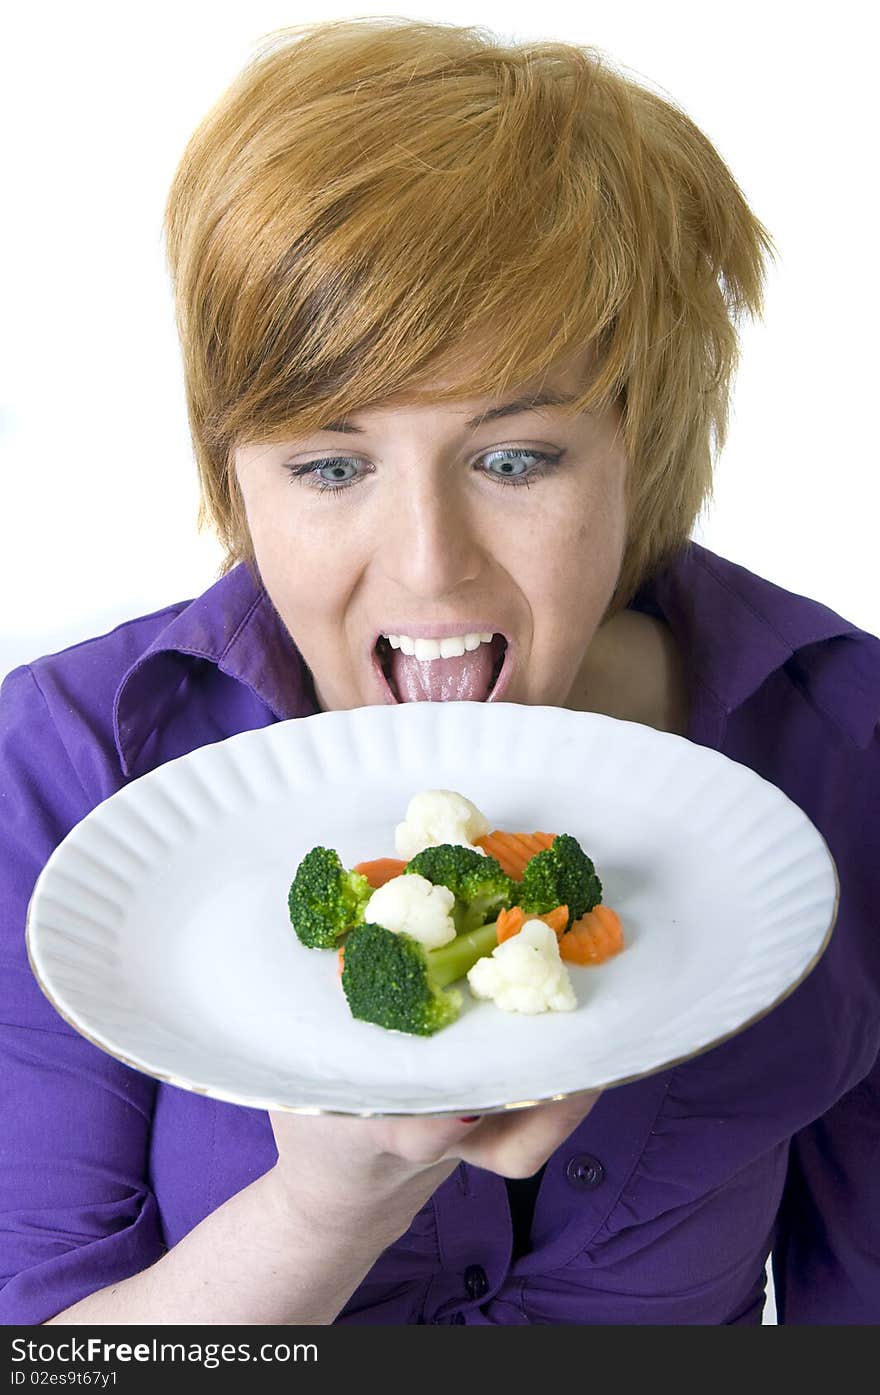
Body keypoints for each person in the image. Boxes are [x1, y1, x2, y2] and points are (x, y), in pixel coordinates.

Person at [1, 15, 877, 1327]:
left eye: (515, 459)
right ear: (232, 469)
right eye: (330, 465)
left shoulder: (843, 742)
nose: (428, 571)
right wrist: (327, 1208)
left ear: (647, 434)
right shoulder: (68, 759)